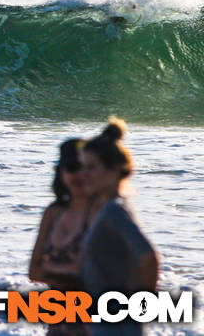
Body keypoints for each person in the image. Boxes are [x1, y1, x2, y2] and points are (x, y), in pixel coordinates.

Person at [79, 119, 159, 336]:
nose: (84, 174)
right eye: (83, 167)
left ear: (114, 170)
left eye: (91, 168)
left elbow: (148, 257)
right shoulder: (111, 208)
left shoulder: (113, 211)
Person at [28, 138, 93, 335]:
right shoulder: (53, 213)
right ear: (62, 172)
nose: (79, 175)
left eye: (85, 168)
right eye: (71, 168)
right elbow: (33, 271)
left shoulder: (105, 214)